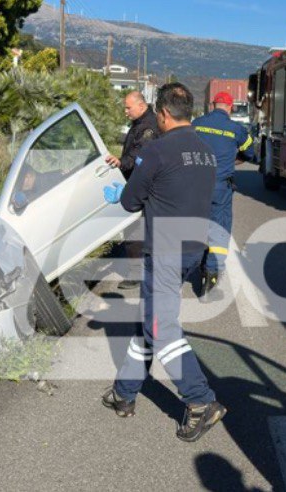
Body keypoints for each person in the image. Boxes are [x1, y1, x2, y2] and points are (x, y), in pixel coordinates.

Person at [101, 83, 227, 442]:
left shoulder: (157, 150)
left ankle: (201, 401)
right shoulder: (205, 151)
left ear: (163, 114)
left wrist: (119, 195)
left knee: (161, 327)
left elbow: (130, 201)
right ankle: (124, 393)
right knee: (150, 320)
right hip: (192, 248)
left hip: (166, 251)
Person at [192, 91, 253, 296]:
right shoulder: (236, 130)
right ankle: (211, 273)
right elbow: (250, 152)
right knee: (219, 228)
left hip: (195, 185)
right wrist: (235, 158)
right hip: (220, 187)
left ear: (212, 105)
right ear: (230, 107)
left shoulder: (197, 123)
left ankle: (193, 262)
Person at [105, 90, 157, 289]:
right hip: (137, 182)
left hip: (140, 183)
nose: (126, 112)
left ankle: (137, 273)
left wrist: (121, 162)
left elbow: (138, 156)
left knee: (134, 229)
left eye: (128, 107)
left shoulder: (148, 128)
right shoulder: (140, 123)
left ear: (141, 106)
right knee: (136, 228)